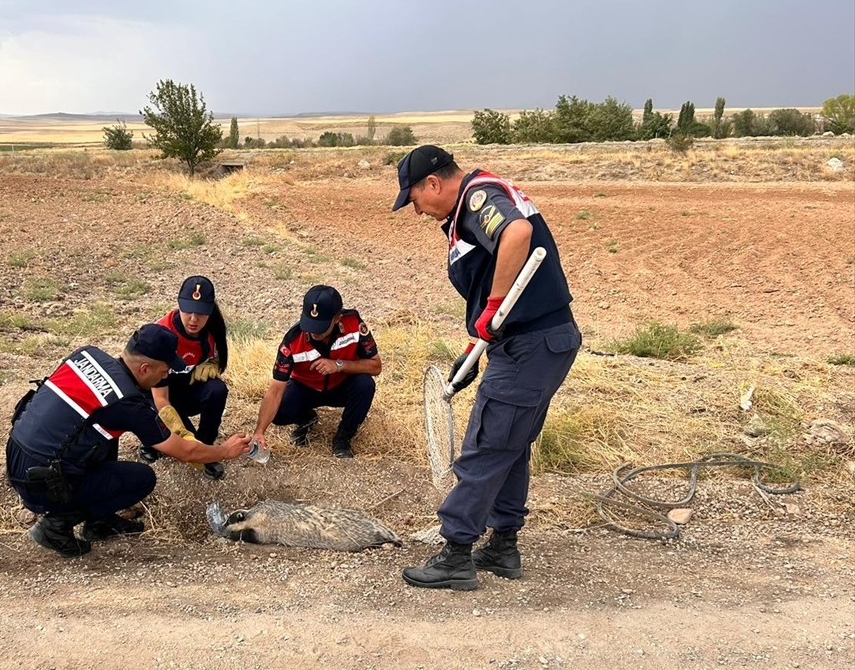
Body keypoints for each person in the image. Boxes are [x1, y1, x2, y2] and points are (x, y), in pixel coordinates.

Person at [392, 145, 581, 591]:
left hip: (531, 345)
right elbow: (495, 285)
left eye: (415, 199)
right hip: (536, 342)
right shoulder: (471, 207)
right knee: (510, 445)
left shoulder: (478, 198)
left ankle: (456, 552)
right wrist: (478, 340)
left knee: (486, 444)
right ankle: (503, 545)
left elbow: (516, 236)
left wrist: (494, 309)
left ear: (433, 183)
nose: (417, 211)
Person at [6, 324, 251, 558]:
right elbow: (185, 452)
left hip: (19, 458)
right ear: (145, 368)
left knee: (105, 430)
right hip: (44, 484)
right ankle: (56, 526)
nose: (165, 375)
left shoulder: (86, 355)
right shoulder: (128, 403)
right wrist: (225, 451)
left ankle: (100, 522)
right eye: (164, 371)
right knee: (142, 479)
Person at [251, 284, 382, 458]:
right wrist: (259, 431)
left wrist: (339, 364)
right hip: (306, 388)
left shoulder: (354, 324)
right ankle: (307, 419)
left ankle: (343, 437)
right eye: (309, 323)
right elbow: (274, 391)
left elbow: (376, 366)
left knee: (365, 385)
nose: (313, 331)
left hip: (341, 385)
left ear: (337, 318)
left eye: (320, 326)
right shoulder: (291, 341)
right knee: (280, 411)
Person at [139, 275, 231, 480]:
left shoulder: (211, 332)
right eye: (188, 310)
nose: (193, 319)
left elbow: (218, 360)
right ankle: (154, 441)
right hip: (157, 395)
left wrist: (213, 363)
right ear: (179, 304)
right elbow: (160, 397)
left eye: (201, 313)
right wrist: (181, 434)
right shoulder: (162, 335)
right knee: (175, 436)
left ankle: (206, 447)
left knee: (217, 389)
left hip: (184, 390)